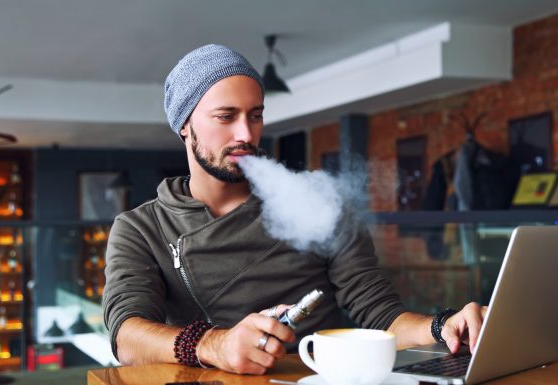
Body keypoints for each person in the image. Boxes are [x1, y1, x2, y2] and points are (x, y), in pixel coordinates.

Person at [102, 44, 487, 375]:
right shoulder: (140, 228)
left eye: (255, 115)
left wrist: (443, 326)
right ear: (185, 125)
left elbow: (381, 313)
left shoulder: (319, 205)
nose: (245, 135)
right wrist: (216, 346)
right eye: (226, 116)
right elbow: (127, 336)